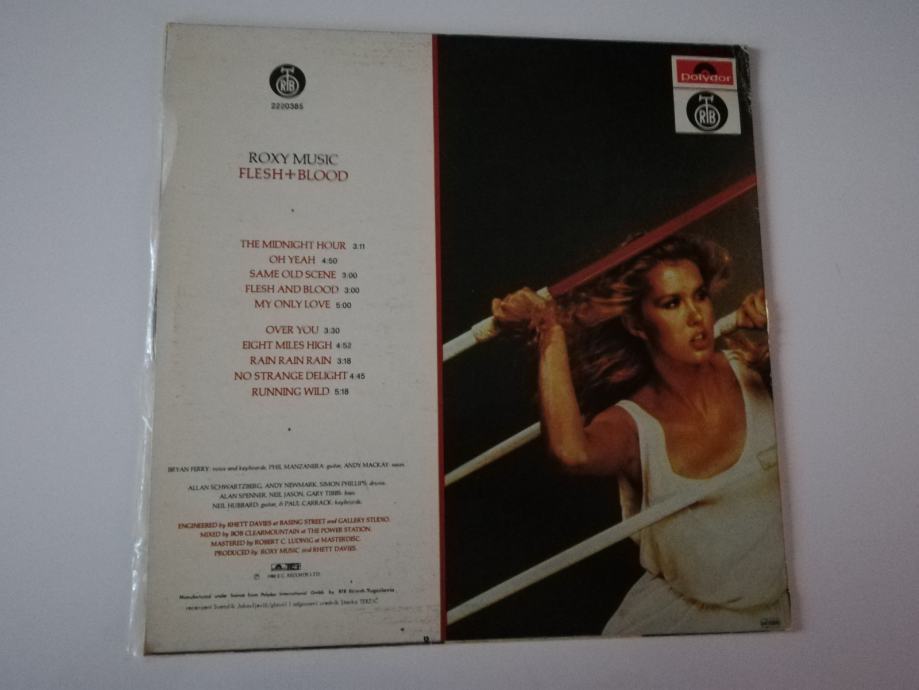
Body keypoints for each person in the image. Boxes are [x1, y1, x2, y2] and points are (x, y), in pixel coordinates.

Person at [492, 234, 789, 635]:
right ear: (636, 324)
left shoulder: (752, 366)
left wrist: (784, 326)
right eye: (671, 303)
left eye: (699, 296)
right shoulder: (633, 425)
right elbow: (570, 452)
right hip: (691, 627)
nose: (695, 316)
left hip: (784, 612)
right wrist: (550, 331)